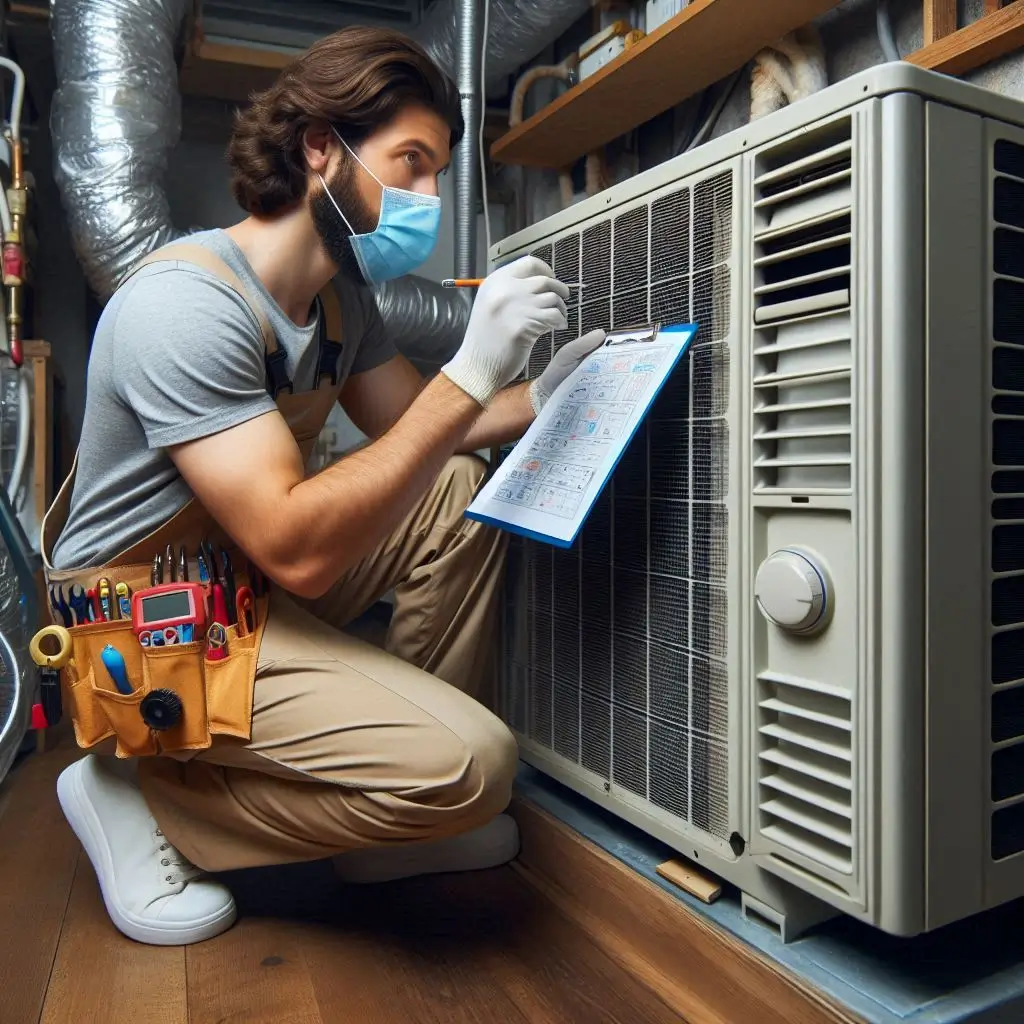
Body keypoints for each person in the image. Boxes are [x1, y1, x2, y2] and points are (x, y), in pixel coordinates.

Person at [42, 25, 605, 947]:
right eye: (409, 165)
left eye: (436, 175)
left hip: (235, 585)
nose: (426, 198)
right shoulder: (186, 305)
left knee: (454, 482)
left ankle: (395, 819)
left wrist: (542, 392)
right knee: (477, 766)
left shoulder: (342, 300)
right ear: (318, 151)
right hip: (142, 628)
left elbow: (421, 426)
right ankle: (135, 792)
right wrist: (473, 368)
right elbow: (298, 551)